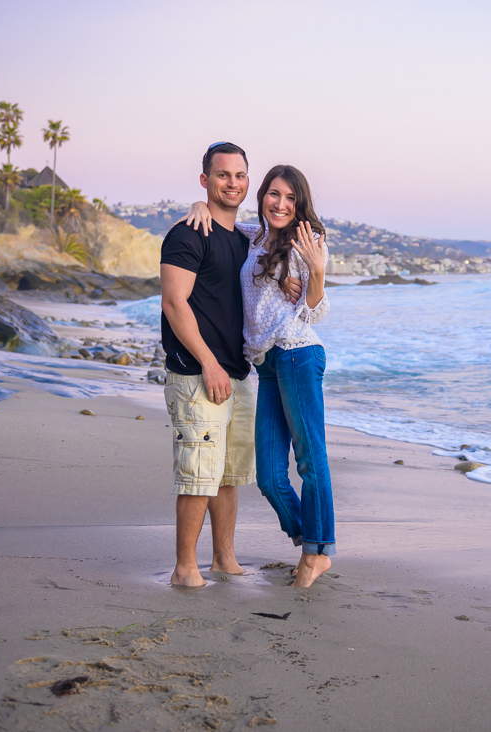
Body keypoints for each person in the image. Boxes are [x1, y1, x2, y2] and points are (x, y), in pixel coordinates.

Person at [184, 164, 335, 588]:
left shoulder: (310, 242)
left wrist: (315, 274)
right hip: (266, 365)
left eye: (290, 197)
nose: (281, 204)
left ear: (300, 201)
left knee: (309, 459)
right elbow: (216, 218)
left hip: (298, 355)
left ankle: (315, 553)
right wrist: (199, 203)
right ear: (263, 196)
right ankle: (314, 540)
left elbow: (316, 312)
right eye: (273, 194)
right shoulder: (254, 235)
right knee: (269, 476)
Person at [159, 142, 258, 587]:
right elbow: (174, 303)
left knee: (228, 472)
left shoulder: (244, 240)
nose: (232, 183)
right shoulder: (187, 233)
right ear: (205, 179)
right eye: (222, 175)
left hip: (237, 374)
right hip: (197, 374)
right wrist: (209, 363)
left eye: (239, 175)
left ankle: (224, 559)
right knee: (198, 473)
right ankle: (185, 569)